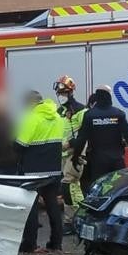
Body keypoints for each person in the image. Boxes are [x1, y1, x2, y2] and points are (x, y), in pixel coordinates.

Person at [16, 90, 66, 252]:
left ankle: (30, 243)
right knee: (53, 205)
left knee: (32, 207)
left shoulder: (32, 118)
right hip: (53, 170)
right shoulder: (58, 118)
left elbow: (20, 144)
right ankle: (56, 242)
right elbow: (62, 143)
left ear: (31, 103)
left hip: (33, 172)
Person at [71, 85, 128, 195]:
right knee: (119, 189)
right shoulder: (118, 114)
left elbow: (81, 138)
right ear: (109, 96)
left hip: (97, 161)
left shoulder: (89, 115)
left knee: (98, 191)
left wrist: (76, 156)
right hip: (117, 160)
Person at [53, 76, 87, 233]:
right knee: (71, 187)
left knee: (69, 186)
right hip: (63, 154)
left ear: (71, 92)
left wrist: (72, 145)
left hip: (76, 154)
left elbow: (85, 134)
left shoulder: (81, 111)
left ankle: (74, 220)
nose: (61, 96)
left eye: (64, 92)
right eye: (59, 93)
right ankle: (78, 219)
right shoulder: (60, 111)